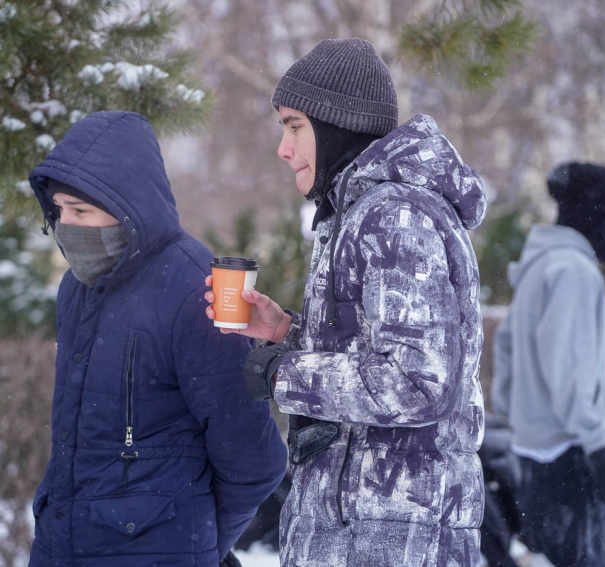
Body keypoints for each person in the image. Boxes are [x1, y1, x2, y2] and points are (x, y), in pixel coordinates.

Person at [205, 38, 487, 566]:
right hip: (361, 529)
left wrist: (285, 374)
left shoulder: (393, 216)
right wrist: (286, 332)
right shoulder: (359, 213)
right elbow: (373, 357)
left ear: (338, 126)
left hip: (390, 537)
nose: (283, 149)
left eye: (294, 127)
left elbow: (418, 382)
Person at [25, 110, 286, 567]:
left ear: (127, 205)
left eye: (81, 210)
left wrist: (194, 546)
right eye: (59, 211)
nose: (66, 226)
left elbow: (254, 460)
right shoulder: (76, 288)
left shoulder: (194, 289)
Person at [492, 162, 605, 567]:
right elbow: (567, 366)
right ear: (595, 214)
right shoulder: (574, 271)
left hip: (534, 453)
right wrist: (597, 445)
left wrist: (520, 414)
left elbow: (506, 347)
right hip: (571, 458)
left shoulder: (539, 266)